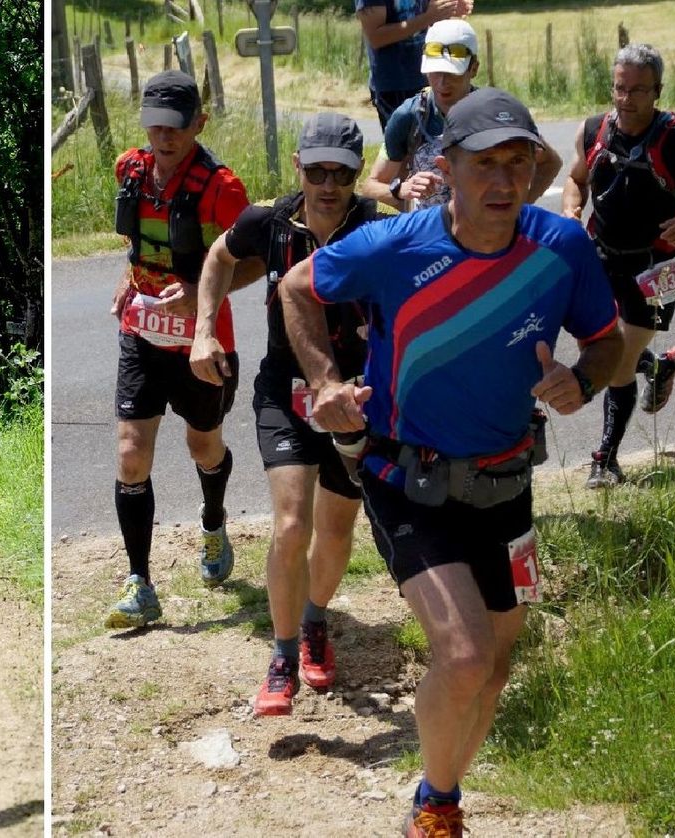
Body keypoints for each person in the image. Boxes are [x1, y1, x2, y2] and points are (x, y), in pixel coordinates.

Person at [282, 88, 624, 838]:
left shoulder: (560, 249)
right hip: (407, 475)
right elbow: (296, 288)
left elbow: (610, 342)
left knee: (498, 666)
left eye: (518, 163)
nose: (503, 182)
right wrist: (324, 382)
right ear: (449, 166)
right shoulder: (397, 244)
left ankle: (444, 796)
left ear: (537, 167)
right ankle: (434, 808)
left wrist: (584, 377)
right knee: (465, 657)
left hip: (506, 482)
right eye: (484, 165)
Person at [189, 113, 385, 714]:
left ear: (356, 174)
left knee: (335, 526)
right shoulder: (271, 222)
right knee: (292, 523)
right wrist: (203, 331)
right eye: (318, 170)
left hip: (355, 397)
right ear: (299, 167)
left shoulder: (379, 232)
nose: (329, 184)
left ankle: (315, 621)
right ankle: (280, 654)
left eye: (343, 173)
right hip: (284, 390)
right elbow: (220, 258)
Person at [103, 70, 253, 628]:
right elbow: (138, 240)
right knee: (130, 453)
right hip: (142, 330)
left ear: (199, 124)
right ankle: (140, 582)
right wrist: (129, 273)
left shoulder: (222, 187)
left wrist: (199, 295)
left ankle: (213, 525)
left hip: (203, 338)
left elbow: (255, 258)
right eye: (154, 126)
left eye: (175, 127)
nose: (163, 138)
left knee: (202, 447)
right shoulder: (129, 170)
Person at [562, 44, 675, 487]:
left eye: (638, 90)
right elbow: (575, 181)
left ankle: (605, 461)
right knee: (597, 351)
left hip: (657, 264)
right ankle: (659, 367)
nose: (626, 98)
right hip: (601, 253)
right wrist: (570, 216)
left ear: (657, 90)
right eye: (620, 88)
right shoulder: (594, 130)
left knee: (616, 362)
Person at [362, 20, 560, 214]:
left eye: (452, 73)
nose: (442, 82)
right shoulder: (409, 116)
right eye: (435, 71)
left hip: (485, 236)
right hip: (427, 238)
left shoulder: (495, 113)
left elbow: (550, 162)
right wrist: (400, 190)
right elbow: (371, 186)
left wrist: (516, 209)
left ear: (474, 68)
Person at [355, 0, 470, 128]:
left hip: (431, 77)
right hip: (395, 86)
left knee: (439, 143)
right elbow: (376, 37)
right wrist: (428, 17)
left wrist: (449, 11)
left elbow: (429, 17)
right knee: (405, 145)